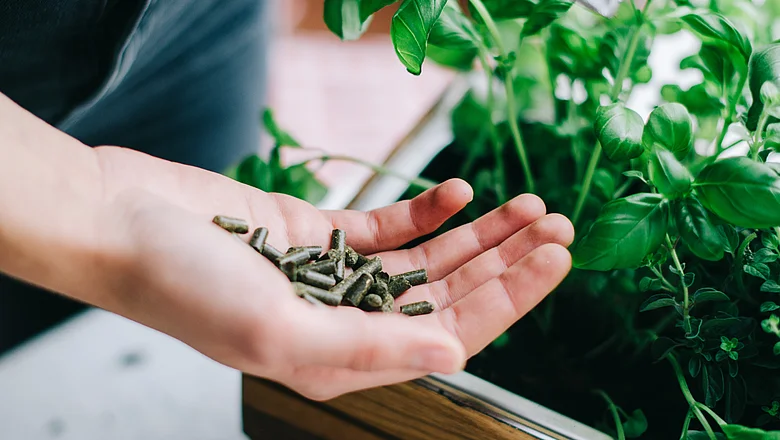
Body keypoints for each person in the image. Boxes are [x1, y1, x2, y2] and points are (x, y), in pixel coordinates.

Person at [0, 0, 574, 400]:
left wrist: (107, 209)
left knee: (104, 359)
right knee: (28, 363)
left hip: (194, 18)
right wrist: (100, 209)